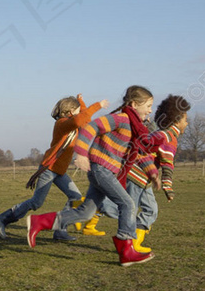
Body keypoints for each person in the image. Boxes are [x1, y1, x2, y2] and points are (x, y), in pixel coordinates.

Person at [26, 85, 166, 266]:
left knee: (85, 212)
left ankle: (39, 222)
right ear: (133, 104)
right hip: (101, 170)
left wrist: (153, 173)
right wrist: (82, 154)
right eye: (148, 105)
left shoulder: (134, 128)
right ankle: (126, 250)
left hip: (105, 172)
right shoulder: (120, 119)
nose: (150, 110)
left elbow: (139, 153)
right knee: (128, 204)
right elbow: (91, 128)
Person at [0, 94, 108, 240]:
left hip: (59, 171)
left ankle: (60, 230)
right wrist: (98, 105)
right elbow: (80, 119)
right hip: (49, 169)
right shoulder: (62, 123)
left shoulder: (74, 125)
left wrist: (81, 102)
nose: (80, 113)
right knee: (36, 202)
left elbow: (85, 120)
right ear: (70, 112)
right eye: (78, 110)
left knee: (75, 197)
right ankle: (3, 218)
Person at [120, 94, 191, 253]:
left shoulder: (161, 132)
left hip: (141, 177)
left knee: (148, 209)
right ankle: (129, 244)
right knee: (128, 209)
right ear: (177, 120)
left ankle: (134, 243)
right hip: (138, 176)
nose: (187, 123)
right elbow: (167, 165)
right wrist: (168, 187)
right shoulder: (169, 137)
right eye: (185, 120)